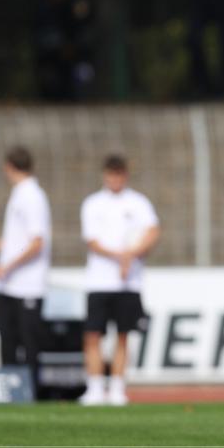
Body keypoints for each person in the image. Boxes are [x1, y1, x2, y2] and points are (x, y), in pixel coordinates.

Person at [78, 155, 160, 406]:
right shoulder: (93, 203)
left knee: (123, 335)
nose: (115, 179)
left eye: (119, 174)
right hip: (100, 282)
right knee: (93, 335)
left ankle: (117, 387)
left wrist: (131, 255)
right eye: (111, 174)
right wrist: (121, 256)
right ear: (105, 175)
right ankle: (94, 386)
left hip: (129, 283)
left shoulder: (138, 202)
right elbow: (92, 241)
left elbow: (152, 231)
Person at [0, 147, 51, 395]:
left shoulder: (32, 196)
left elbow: (36, 242)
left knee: (29, 342)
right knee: (6, 337)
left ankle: (31, 392)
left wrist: (5, 266)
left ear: (9, 166)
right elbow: (19, 240)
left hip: (27, 285)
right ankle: (9, 390)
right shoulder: (20, 194)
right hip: (9, 285)